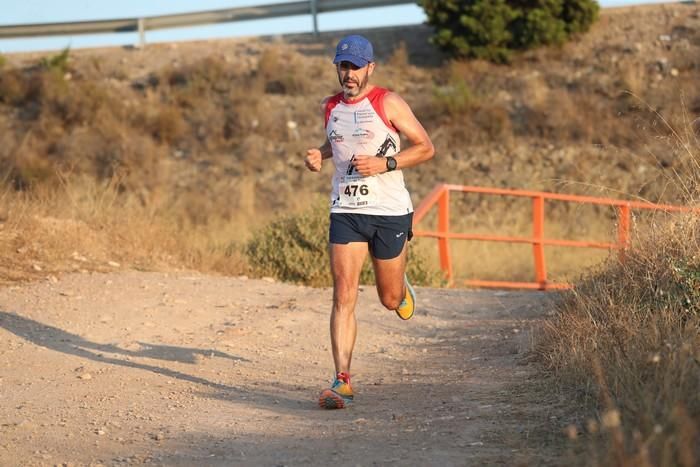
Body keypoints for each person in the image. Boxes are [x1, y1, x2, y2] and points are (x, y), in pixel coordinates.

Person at [304, 34, 435, 410]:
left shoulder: (388, 102)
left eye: (355, 67)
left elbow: (426, 147)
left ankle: (401, 288)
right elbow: (338, 142)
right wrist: (320, 155)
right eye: (343, 66)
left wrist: (386, 163)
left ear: (370, 68)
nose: (349, 74)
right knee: (343, 294)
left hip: (389, 211)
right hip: (345, 210)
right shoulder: (329, 107)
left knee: (388, 298)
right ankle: (341, 379)